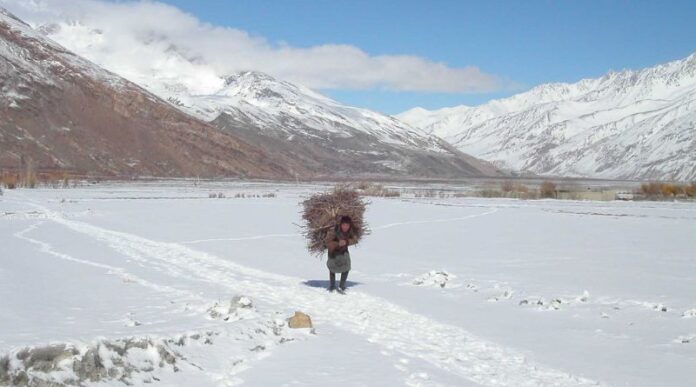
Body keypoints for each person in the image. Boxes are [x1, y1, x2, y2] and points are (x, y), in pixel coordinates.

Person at [324, 215, 357, 293]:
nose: (345, 227)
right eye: (344, 225)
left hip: (344, 251)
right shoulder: (334, 231)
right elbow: (327, 242)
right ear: (340, 224)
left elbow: (355, 239)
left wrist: (347, 242)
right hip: (333, 251)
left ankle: (342, 285)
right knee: (332, 267)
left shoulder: (351, 231)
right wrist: (338, 243)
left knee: (347, 266)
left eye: (347, 225)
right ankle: (332, 286)